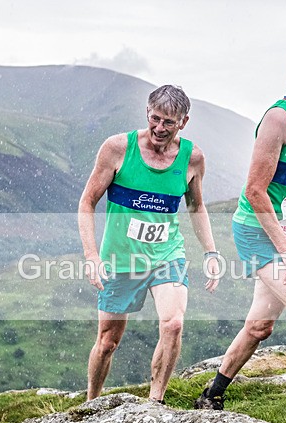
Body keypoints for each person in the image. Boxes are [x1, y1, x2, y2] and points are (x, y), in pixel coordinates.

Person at [194, 37, 286, 421]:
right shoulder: (278, 120)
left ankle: (211, 394)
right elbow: (254, 191)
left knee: (260, 325)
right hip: (258, 232)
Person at [78, 85, 220, 402]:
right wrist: (91, 255)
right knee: (108, 341)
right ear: (146, 113)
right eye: (155, 118)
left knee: (173, 324)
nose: (159, 128)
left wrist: (210, 251)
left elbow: (196, 206)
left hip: (166, 254)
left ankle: (155, 402)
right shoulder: (117, 149)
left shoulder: (192, 158)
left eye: (168, 122)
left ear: (183, 122)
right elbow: (87, 202)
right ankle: (91, 403)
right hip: (120, 258)